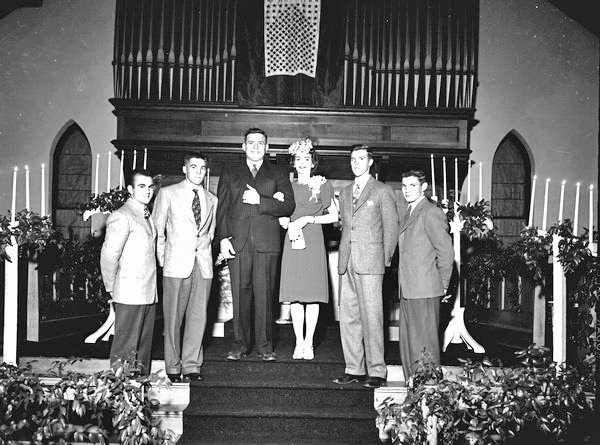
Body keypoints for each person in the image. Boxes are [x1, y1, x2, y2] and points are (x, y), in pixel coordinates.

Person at [217, 128, 295, 362]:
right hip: (238, 243)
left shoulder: (278, 172)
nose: (255, 147)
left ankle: (265, 346)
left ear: (267, 147)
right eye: (251, 143)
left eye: (260, 143)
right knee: (240, 295)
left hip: (266, 243)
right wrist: (222, 239)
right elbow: (222, 209)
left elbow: (288, 206)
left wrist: (260, 201)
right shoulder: (230, 172)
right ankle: (239, 344)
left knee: (264, 296)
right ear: (243, 147)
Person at [334, 145, 398, 389]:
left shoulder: (382, 191)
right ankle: (354, 368)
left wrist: (383, 262)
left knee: (372, 318)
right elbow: (346, 226)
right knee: (349, 317)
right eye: (352, 159)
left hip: (371, 262)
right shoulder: (345, 191)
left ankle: (377, 371)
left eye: (361, 159)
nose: (356, 163)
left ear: (370, 163)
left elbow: (391, 230)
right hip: (347, 260)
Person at [152, 152, 217, 382]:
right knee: (173, 318)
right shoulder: (168, 193)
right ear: (184, 169)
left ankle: (191, 365)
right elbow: (157, 231)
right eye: (193, 167)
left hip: (202, 265)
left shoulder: (211, 199)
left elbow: (210, 232)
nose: (198, 172)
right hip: (176, 264)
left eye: (202, 168)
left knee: (198, 317)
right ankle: (172, 365)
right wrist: (162, 260)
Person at [278, 138, 338, 361]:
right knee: (295, 296)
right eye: (298, 159)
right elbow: (280, 211)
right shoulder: (286, 185)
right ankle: (298, 342)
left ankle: (309, 342)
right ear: (293, 162)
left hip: (312, 240)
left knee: (312, 296)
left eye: (306, 159)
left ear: (313, 162)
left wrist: (308, 220)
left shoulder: (323, 184)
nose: (302, 163)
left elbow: (334, 215)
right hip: (292, 241)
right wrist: (284, 220)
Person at [397, 169, 453, 380]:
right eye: (404, 186)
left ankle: (429, 393)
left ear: (424, 186)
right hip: (409, 288)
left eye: (412, 185)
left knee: (425, 346)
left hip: (425, 289)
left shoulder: (431, 212)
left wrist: (443, 285)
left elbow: (446, 252)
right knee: (410, 344)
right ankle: (414, 388)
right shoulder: (408, 212)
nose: (407, 190)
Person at [101, 169, 157, 376]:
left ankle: (139, 397)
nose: (148, 191)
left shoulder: (146, 214)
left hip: (148, 292)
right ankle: (121, 397)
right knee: (125, 352)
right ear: (130, 189)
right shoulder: (122, 215)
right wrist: (111, 287)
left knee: (142, 353)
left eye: (150, 186)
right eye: (141, 186)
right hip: (129, 291)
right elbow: (108, 256)